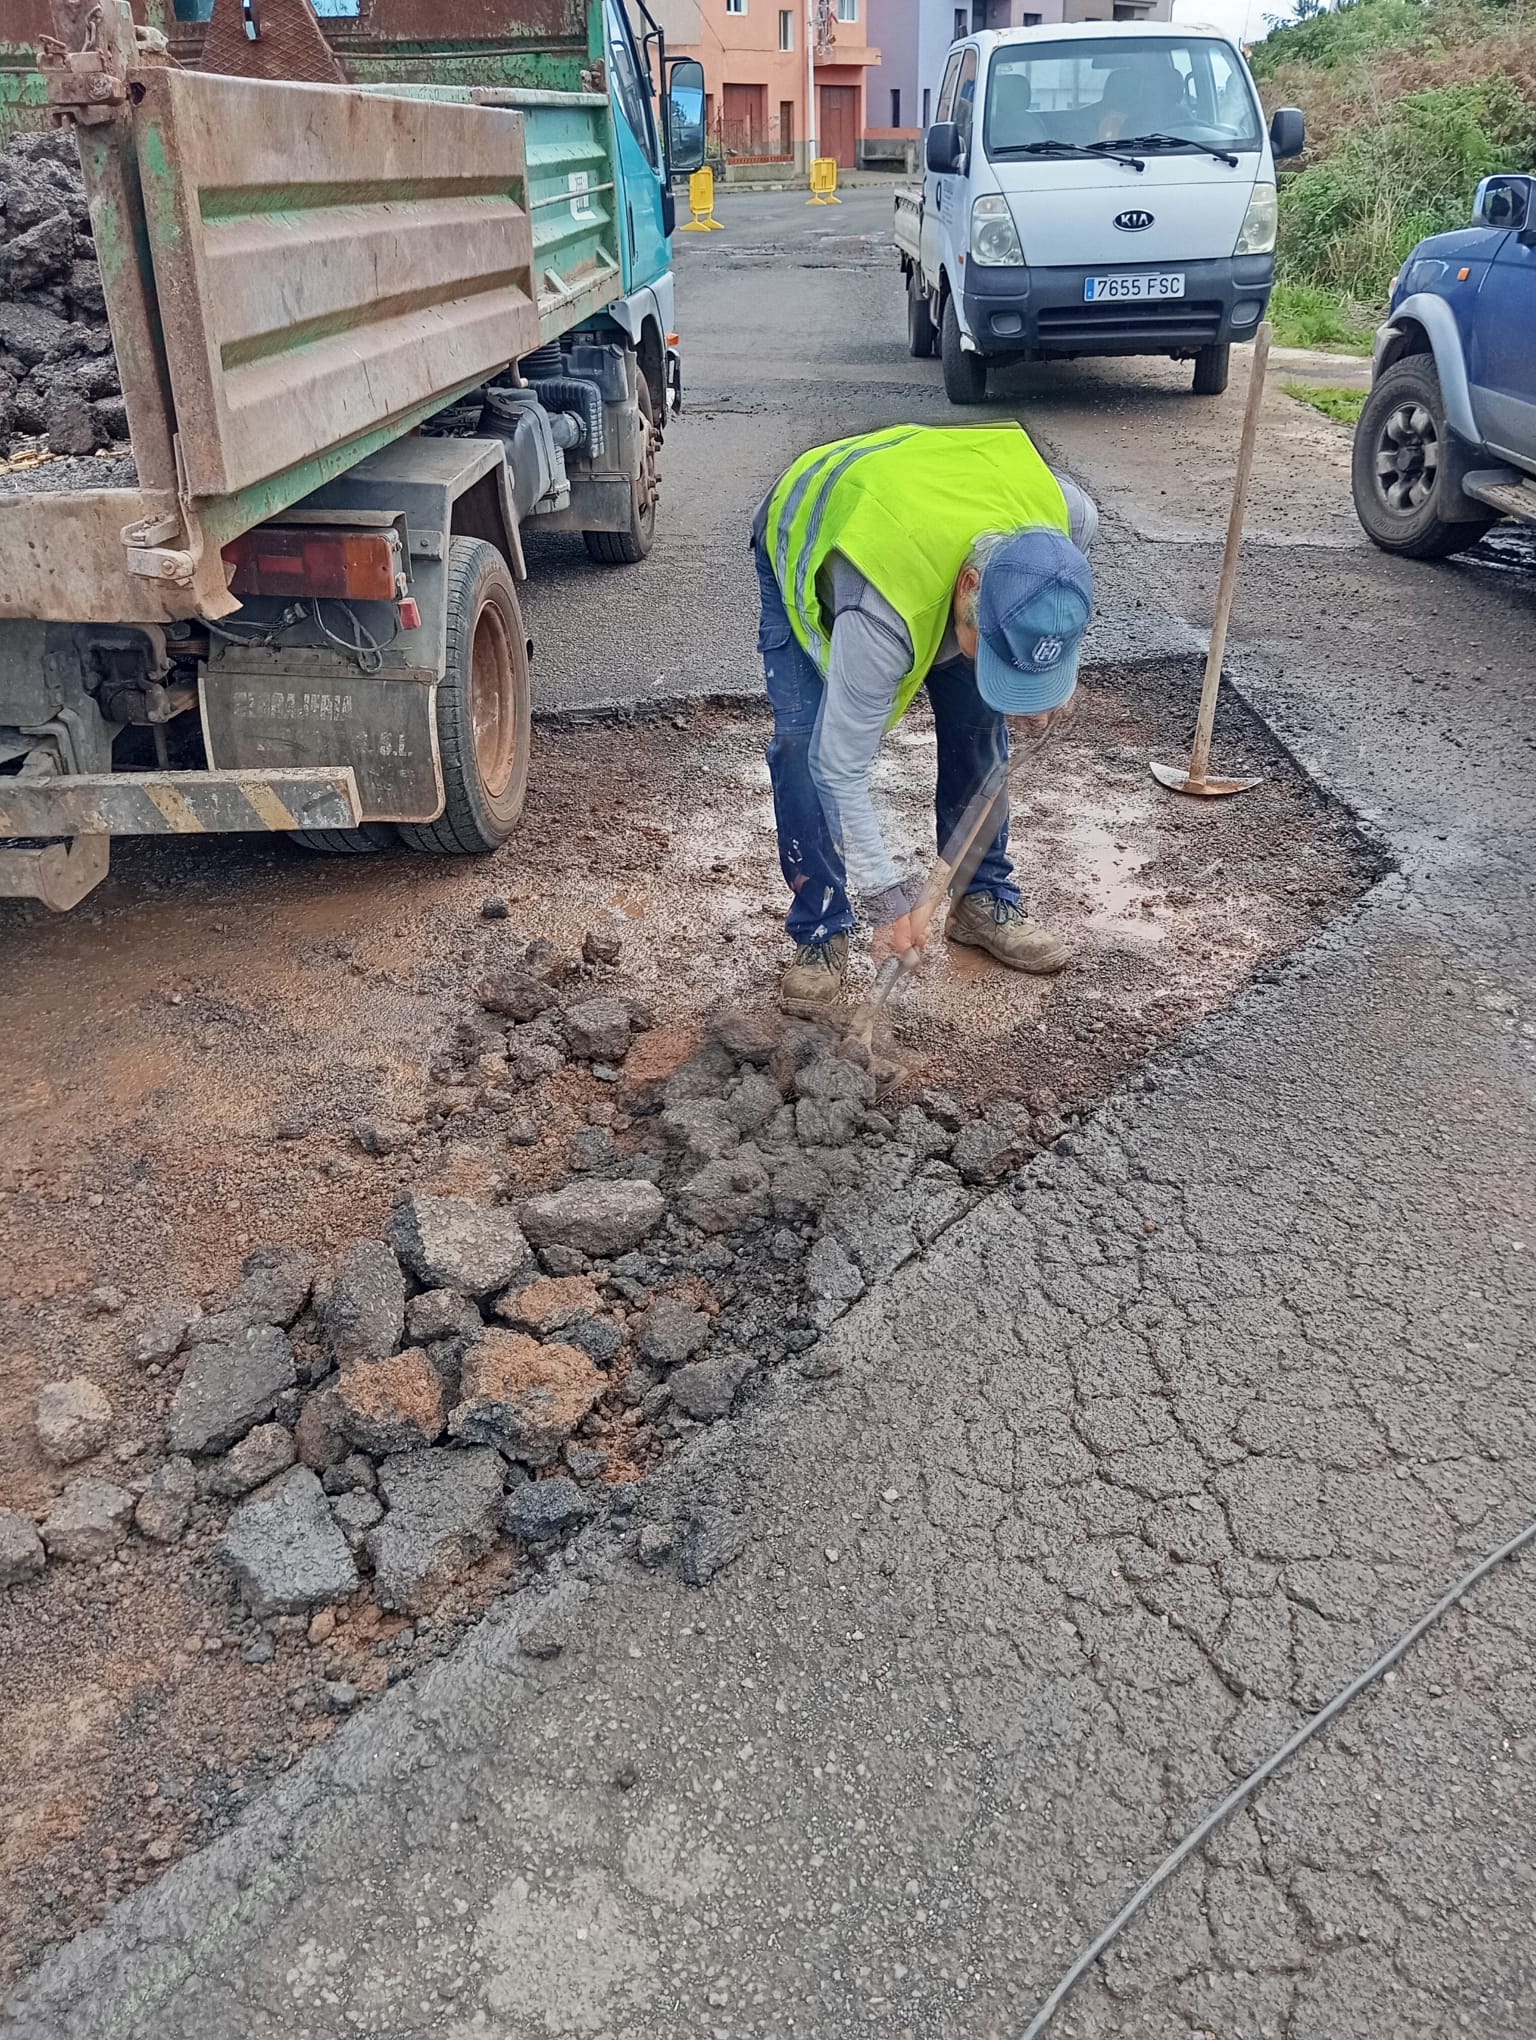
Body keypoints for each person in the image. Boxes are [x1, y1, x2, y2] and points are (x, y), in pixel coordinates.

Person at [752, 422, 1097, 1017]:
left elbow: (1051, 597)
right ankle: (823, 925)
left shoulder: (1066, 517)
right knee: (804, 744)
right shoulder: (881, 611)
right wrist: (892, 902)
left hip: (937, 519)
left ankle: (979, 895)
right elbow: (842, 767)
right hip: (822, 523)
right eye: (986, 641)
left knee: (979, 717)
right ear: (970, 587)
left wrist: (1045, 670)